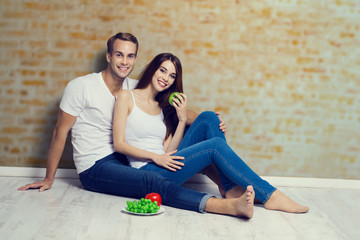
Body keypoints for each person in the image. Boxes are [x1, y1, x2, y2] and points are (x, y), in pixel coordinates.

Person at [18, 32, 255, 218]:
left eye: (130, 56)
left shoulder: (134, 87)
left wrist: (210, 118)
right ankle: (223, 206)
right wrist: (49, 178)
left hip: (128, 159)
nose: (125, 61)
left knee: (205, 122)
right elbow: (60, 132)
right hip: (96, 166)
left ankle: (231, 187)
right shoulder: (81, 87)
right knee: (153, 182)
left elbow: (173, 106)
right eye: (119, 54)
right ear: (109, 56)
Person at [113, 53, 309, 213]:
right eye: (162, 70)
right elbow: (119, 144)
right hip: (147, 173)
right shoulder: (126, 96)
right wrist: (156, 157)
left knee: (209, 117)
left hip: (164, 163)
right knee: (215, 146)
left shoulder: (162, 107)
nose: (165, 78)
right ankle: (269, 195)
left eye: (172, 76)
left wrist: (181, 120)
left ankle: (229, 188)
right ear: (152, 69)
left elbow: (168, 150)